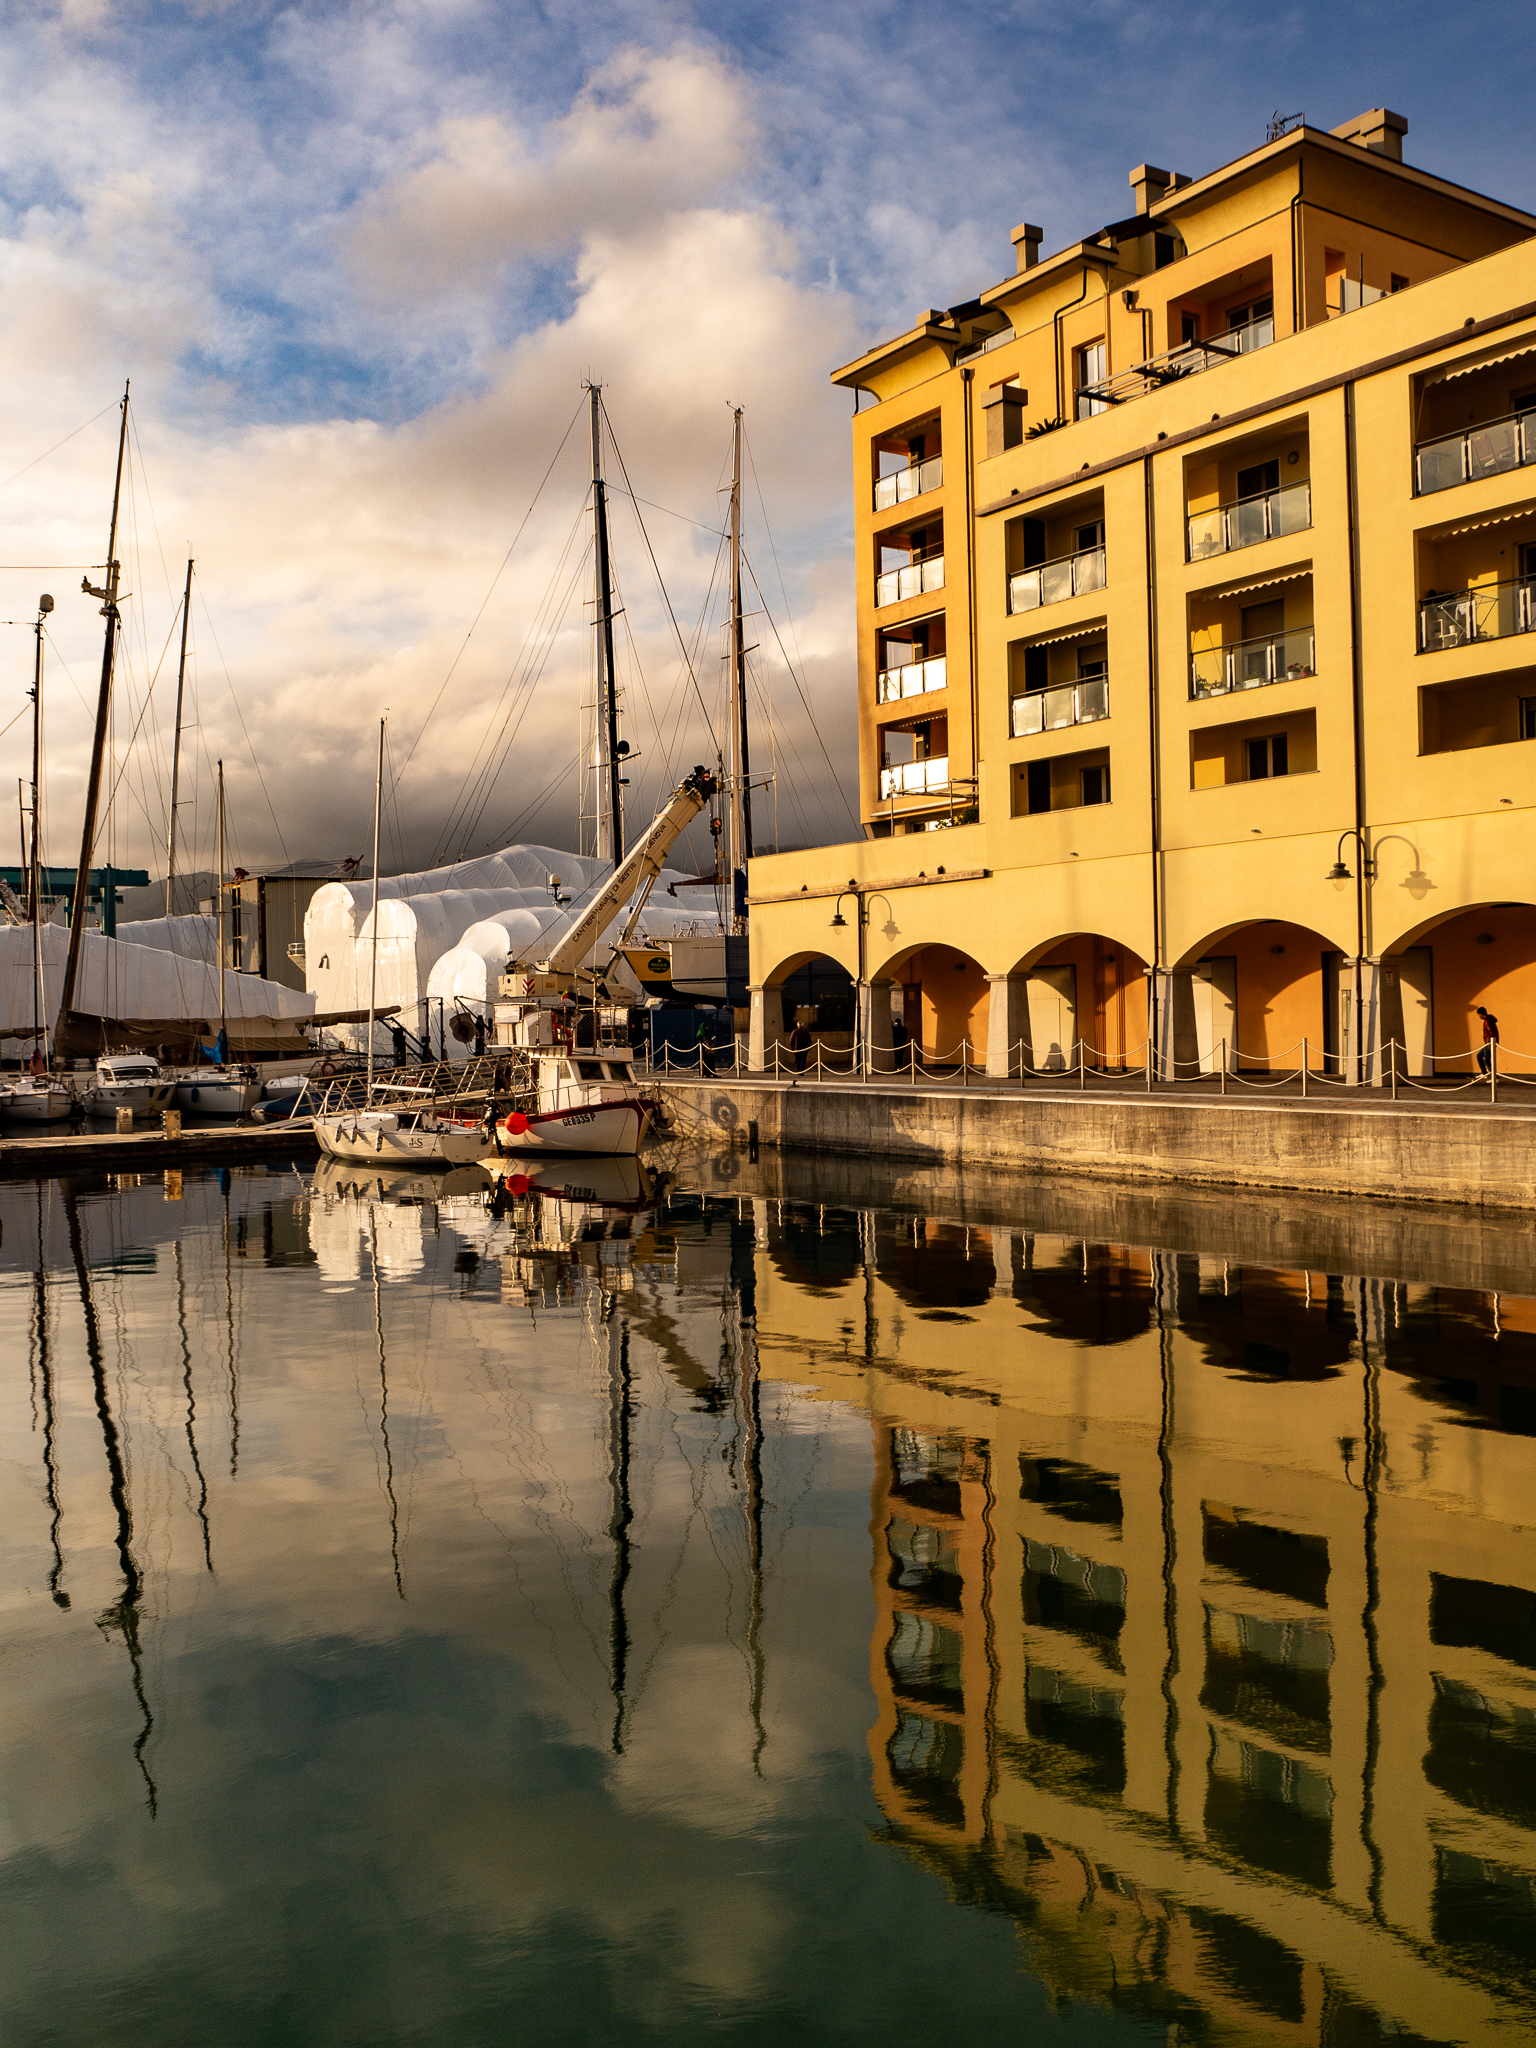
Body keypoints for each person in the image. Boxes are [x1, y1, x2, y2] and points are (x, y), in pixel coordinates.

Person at [1476, 1005, 1500, 1076]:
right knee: (1479, 1056)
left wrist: (1490, 1044)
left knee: (1487, 1060)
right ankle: (1484, 1073)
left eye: (1478, 1015)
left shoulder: (1487, 1021)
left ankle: (1494, 1077)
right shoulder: (1489, 1020)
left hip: (1489, 1043)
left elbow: (1491, 1032)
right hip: (1488, 1043)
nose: (1479, 1017)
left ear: (1481, 1014)